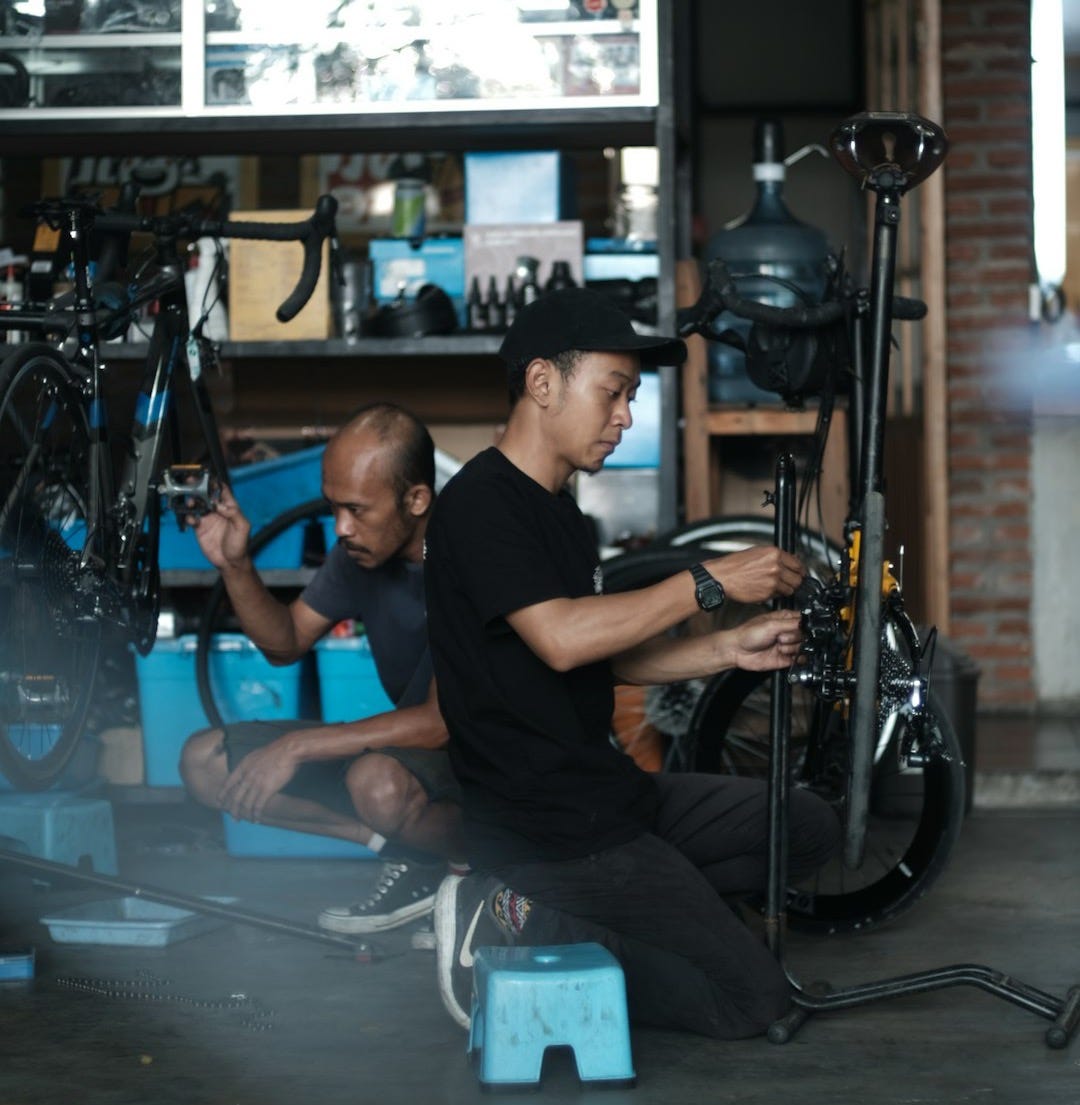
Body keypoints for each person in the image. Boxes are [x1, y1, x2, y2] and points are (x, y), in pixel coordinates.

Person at [424, 287, 841, 1038]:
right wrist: (710, 580)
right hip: (547, 830)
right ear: (543, 382)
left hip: (610, 797)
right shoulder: (481, 504)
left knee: (807, 826)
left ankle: (609, 917)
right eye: (612, 394)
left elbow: (598, 659)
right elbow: (561, 637)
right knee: (759, 1002)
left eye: (631, 397)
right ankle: (523, 916)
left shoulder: (564, 514)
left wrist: (727, 646)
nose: (625, 416)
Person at [180, 402, 464, 937]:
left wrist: (295, 747)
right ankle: (406, 854)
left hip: (486, 772)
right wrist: (236, 566)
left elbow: (439, 723)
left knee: (376, 783)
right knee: (203, 762)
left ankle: (478, 874)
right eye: (334, 508)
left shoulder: (467, 558)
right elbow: (285, 644)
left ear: (417, 499)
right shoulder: (360, 555)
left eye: (357, 510)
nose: (341, 528)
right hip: (411, 760)